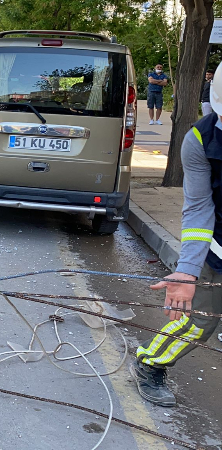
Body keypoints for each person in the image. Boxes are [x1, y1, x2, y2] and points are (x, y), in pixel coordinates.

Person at [131, 64, 222, 408]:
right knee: (200, 322)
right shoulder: (200, 139)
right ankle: (150, 362)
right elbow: (199, 208)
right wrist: (188, 270)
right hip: (219, 246)